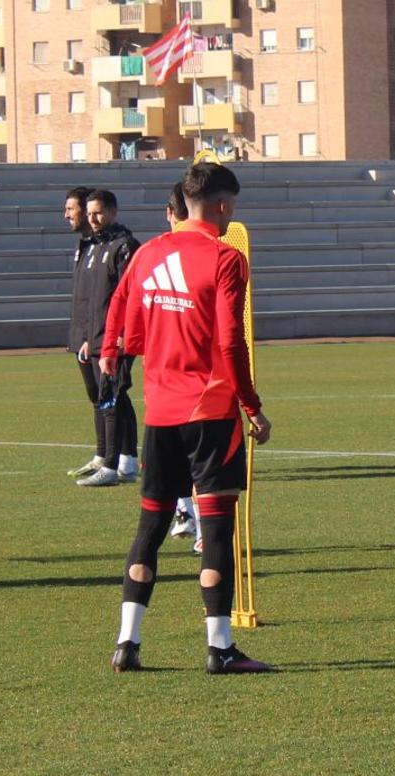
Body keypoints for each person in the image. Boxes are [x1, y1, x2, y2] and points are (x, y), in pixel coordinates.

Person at [100, 162, 272, 675]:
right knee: (216, 528)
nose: (231, 216)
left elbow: (122, 313)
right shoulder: (225, 258)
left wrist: (114, 348)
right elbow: (229, 341)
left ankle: (127, 642)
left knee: (151, 524)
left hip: (161, 413)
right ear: (221, 206)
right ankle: (220, 648)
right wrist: (253, 406)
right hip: (211, 411)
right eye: (232, 207)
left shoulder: (149, 252)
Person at [71, 189, 141, 487]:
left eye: (98, 212)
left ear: (113, 211)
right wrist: (87, 335)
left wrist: (123, 333)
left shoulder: (124, 247)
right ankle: (118, 459)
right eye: (89, 213)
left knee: (111, 394)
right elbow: (92, 299)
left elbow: (128, 295)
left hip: (115, 337)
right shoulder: (94, 245)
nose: (93, 219)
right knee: (107, 396)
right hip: (97, 335)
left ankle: (112, 465)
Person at [161, 181, 201, 549]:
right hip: (176, 374)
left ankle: (199, 522)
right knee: (182, 461)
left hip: (184, 377)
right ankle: (187, 513)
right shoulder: (160, 254)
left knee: (193, 459)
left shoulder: (159, 253)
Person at [64, 186, 110, 480]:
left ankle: (119, 457)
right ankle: (102, 454)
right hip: (84, 335)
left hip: (101, 335)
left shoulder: (108, 246)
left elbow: (103, 297)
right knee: (96, 395)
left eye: (71, 208)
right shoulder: (86, 245)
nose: (67, 214)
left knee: (112, 396)